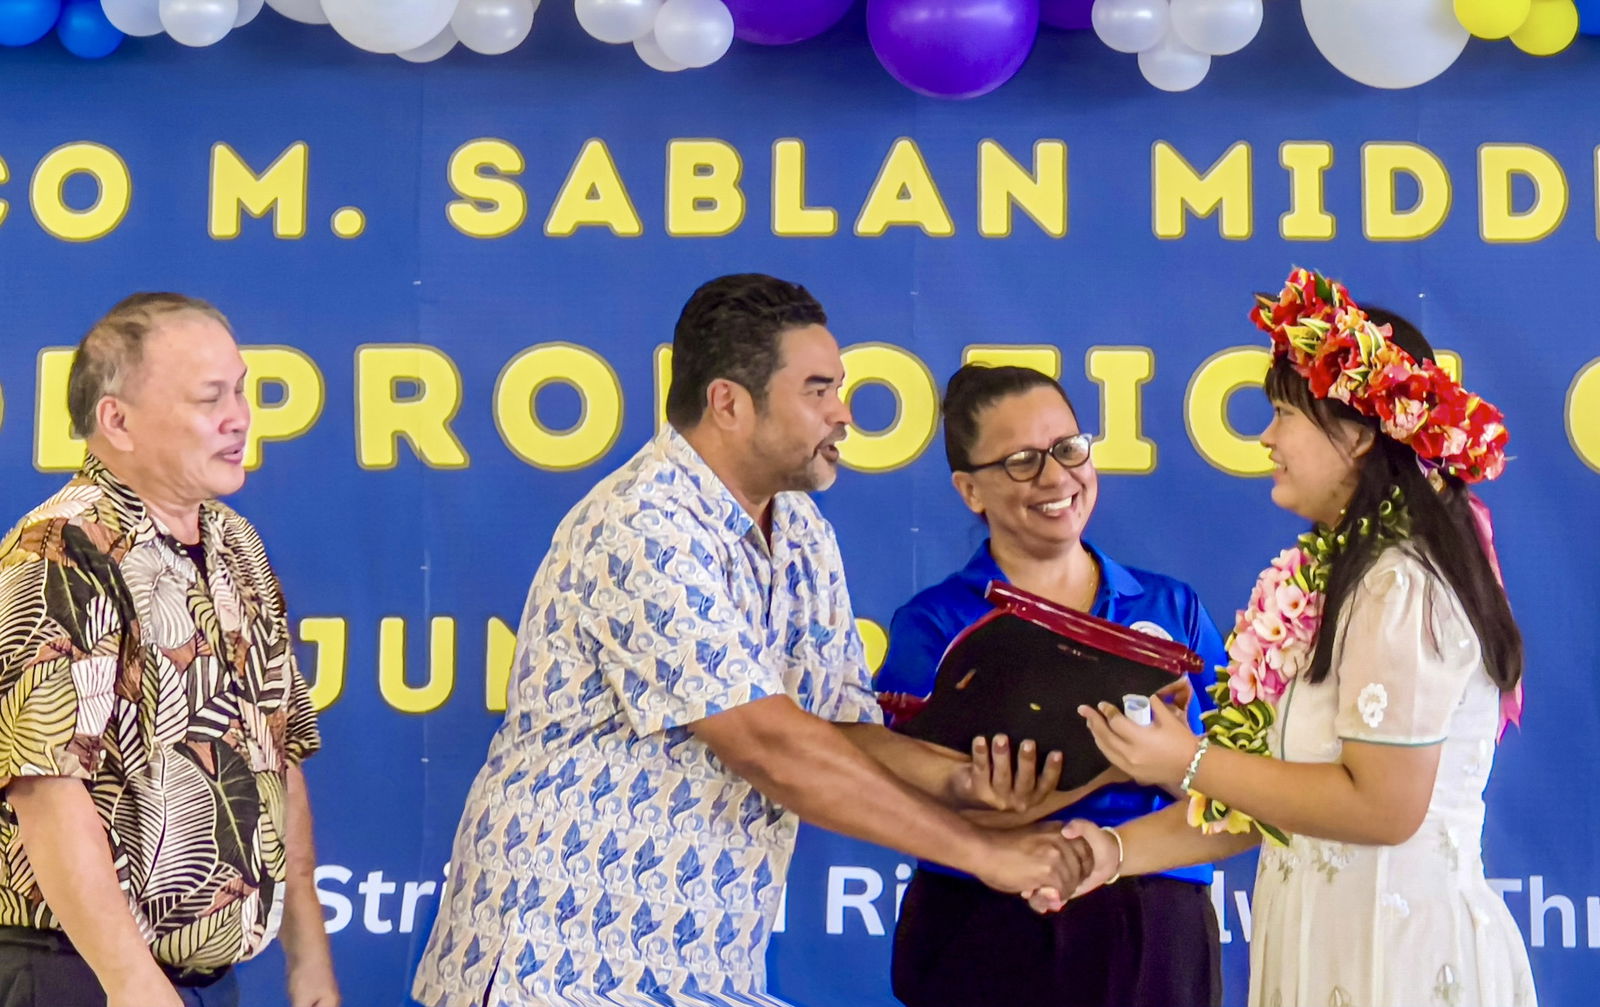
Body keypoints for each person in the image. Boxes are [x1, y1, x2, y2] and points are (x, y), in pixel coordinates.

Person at [411, 274, 1090, 1007]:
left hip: (700, 968)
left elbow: (835, 730)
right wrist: (984, 852)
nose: (845, 414)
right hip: (556, 963)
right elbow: (768, 741)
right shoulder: (643, 522)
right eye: (819, 389)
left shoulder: (801, 530)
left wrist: (961, 783)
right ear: (729, 403)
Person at [1065, 268, 1536, 1007]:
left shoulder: (1400, 581)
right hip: (1326, 949)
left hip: (1400, 963)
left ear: (1354, 435)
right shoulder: (1330, 579)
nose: (1266, 436)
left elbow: (1384, 808)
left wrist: (1188, 759)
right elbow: (1267, 803)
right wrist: (1112, 849)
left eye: (1284, 413)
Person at [0, 294, 336, 1007]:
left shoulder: (237, 545)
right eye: (209, 397)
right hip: (80, 975)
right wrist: (131, 983)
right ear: (116, 420)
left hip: (202, 981)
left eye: (242, 390)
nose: (239, 416)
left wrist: (308, 955)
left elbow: (279, 748)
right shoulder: (61, 549)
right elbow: (44, 786)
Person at [876, 364, 1227, 1007]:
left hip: (1154, 918)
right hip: (981, 917)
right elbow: (897, 798)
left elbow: (1237, 789)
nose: (1056, 477)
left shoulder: (1173, 609)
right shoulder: (933, 623)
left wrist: (1167, 763)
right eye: (1021, 461)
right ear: (969, 490)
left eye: (1068, 449)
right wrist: (1088, 778)